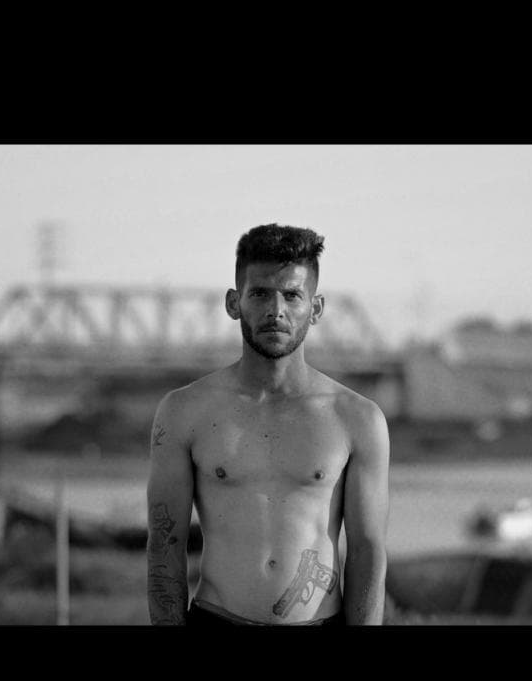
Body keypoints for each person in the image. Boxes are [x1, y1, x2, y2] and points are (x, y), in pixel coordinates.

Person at [146, 224, 390, 626]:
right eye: (260, 293)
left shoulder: (357, 418)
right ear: (234, 302)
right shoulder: (184, 411)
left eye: (292, 295)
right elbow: (164, 543)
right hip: (217, 619)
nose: (276, 310)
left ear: (316, 308)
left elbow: (367, 550)